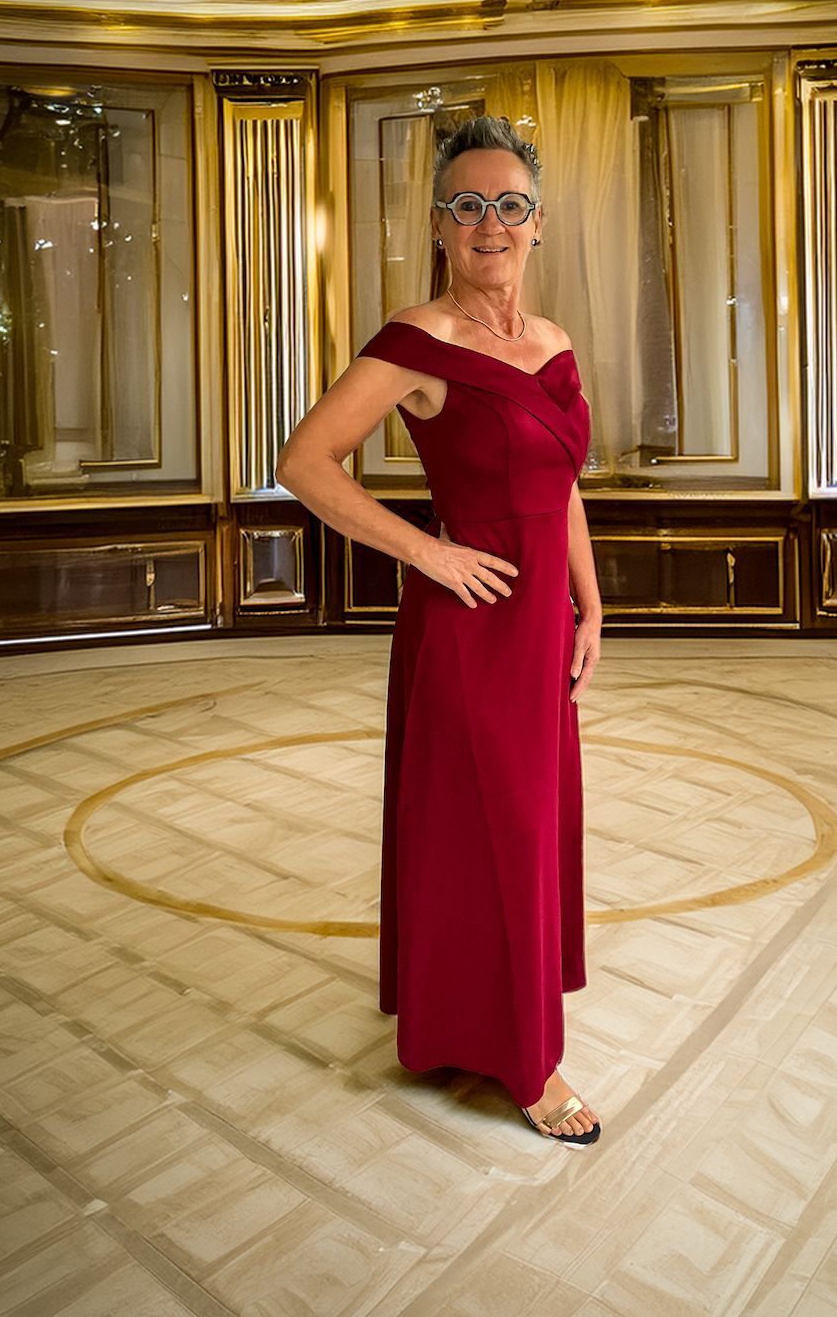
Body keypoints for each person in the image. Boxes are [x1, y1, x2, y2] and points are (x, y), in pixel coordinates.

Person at [277, 115, 603, 1144]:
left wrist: (589, 599)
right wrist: (426, 552)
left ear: (538, 222)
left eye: (509, 205)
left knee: (520, 831)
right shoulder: (418, 342)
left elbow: (561, 485)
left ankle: (474, 1014)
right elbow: (303, 461)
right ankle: (528, 1065)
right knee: (496, 832)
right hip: (467, 631)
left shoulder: (553, 343)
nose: (488, 223)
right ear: (437, 224)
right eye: (467, 205)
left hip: (538, 628)